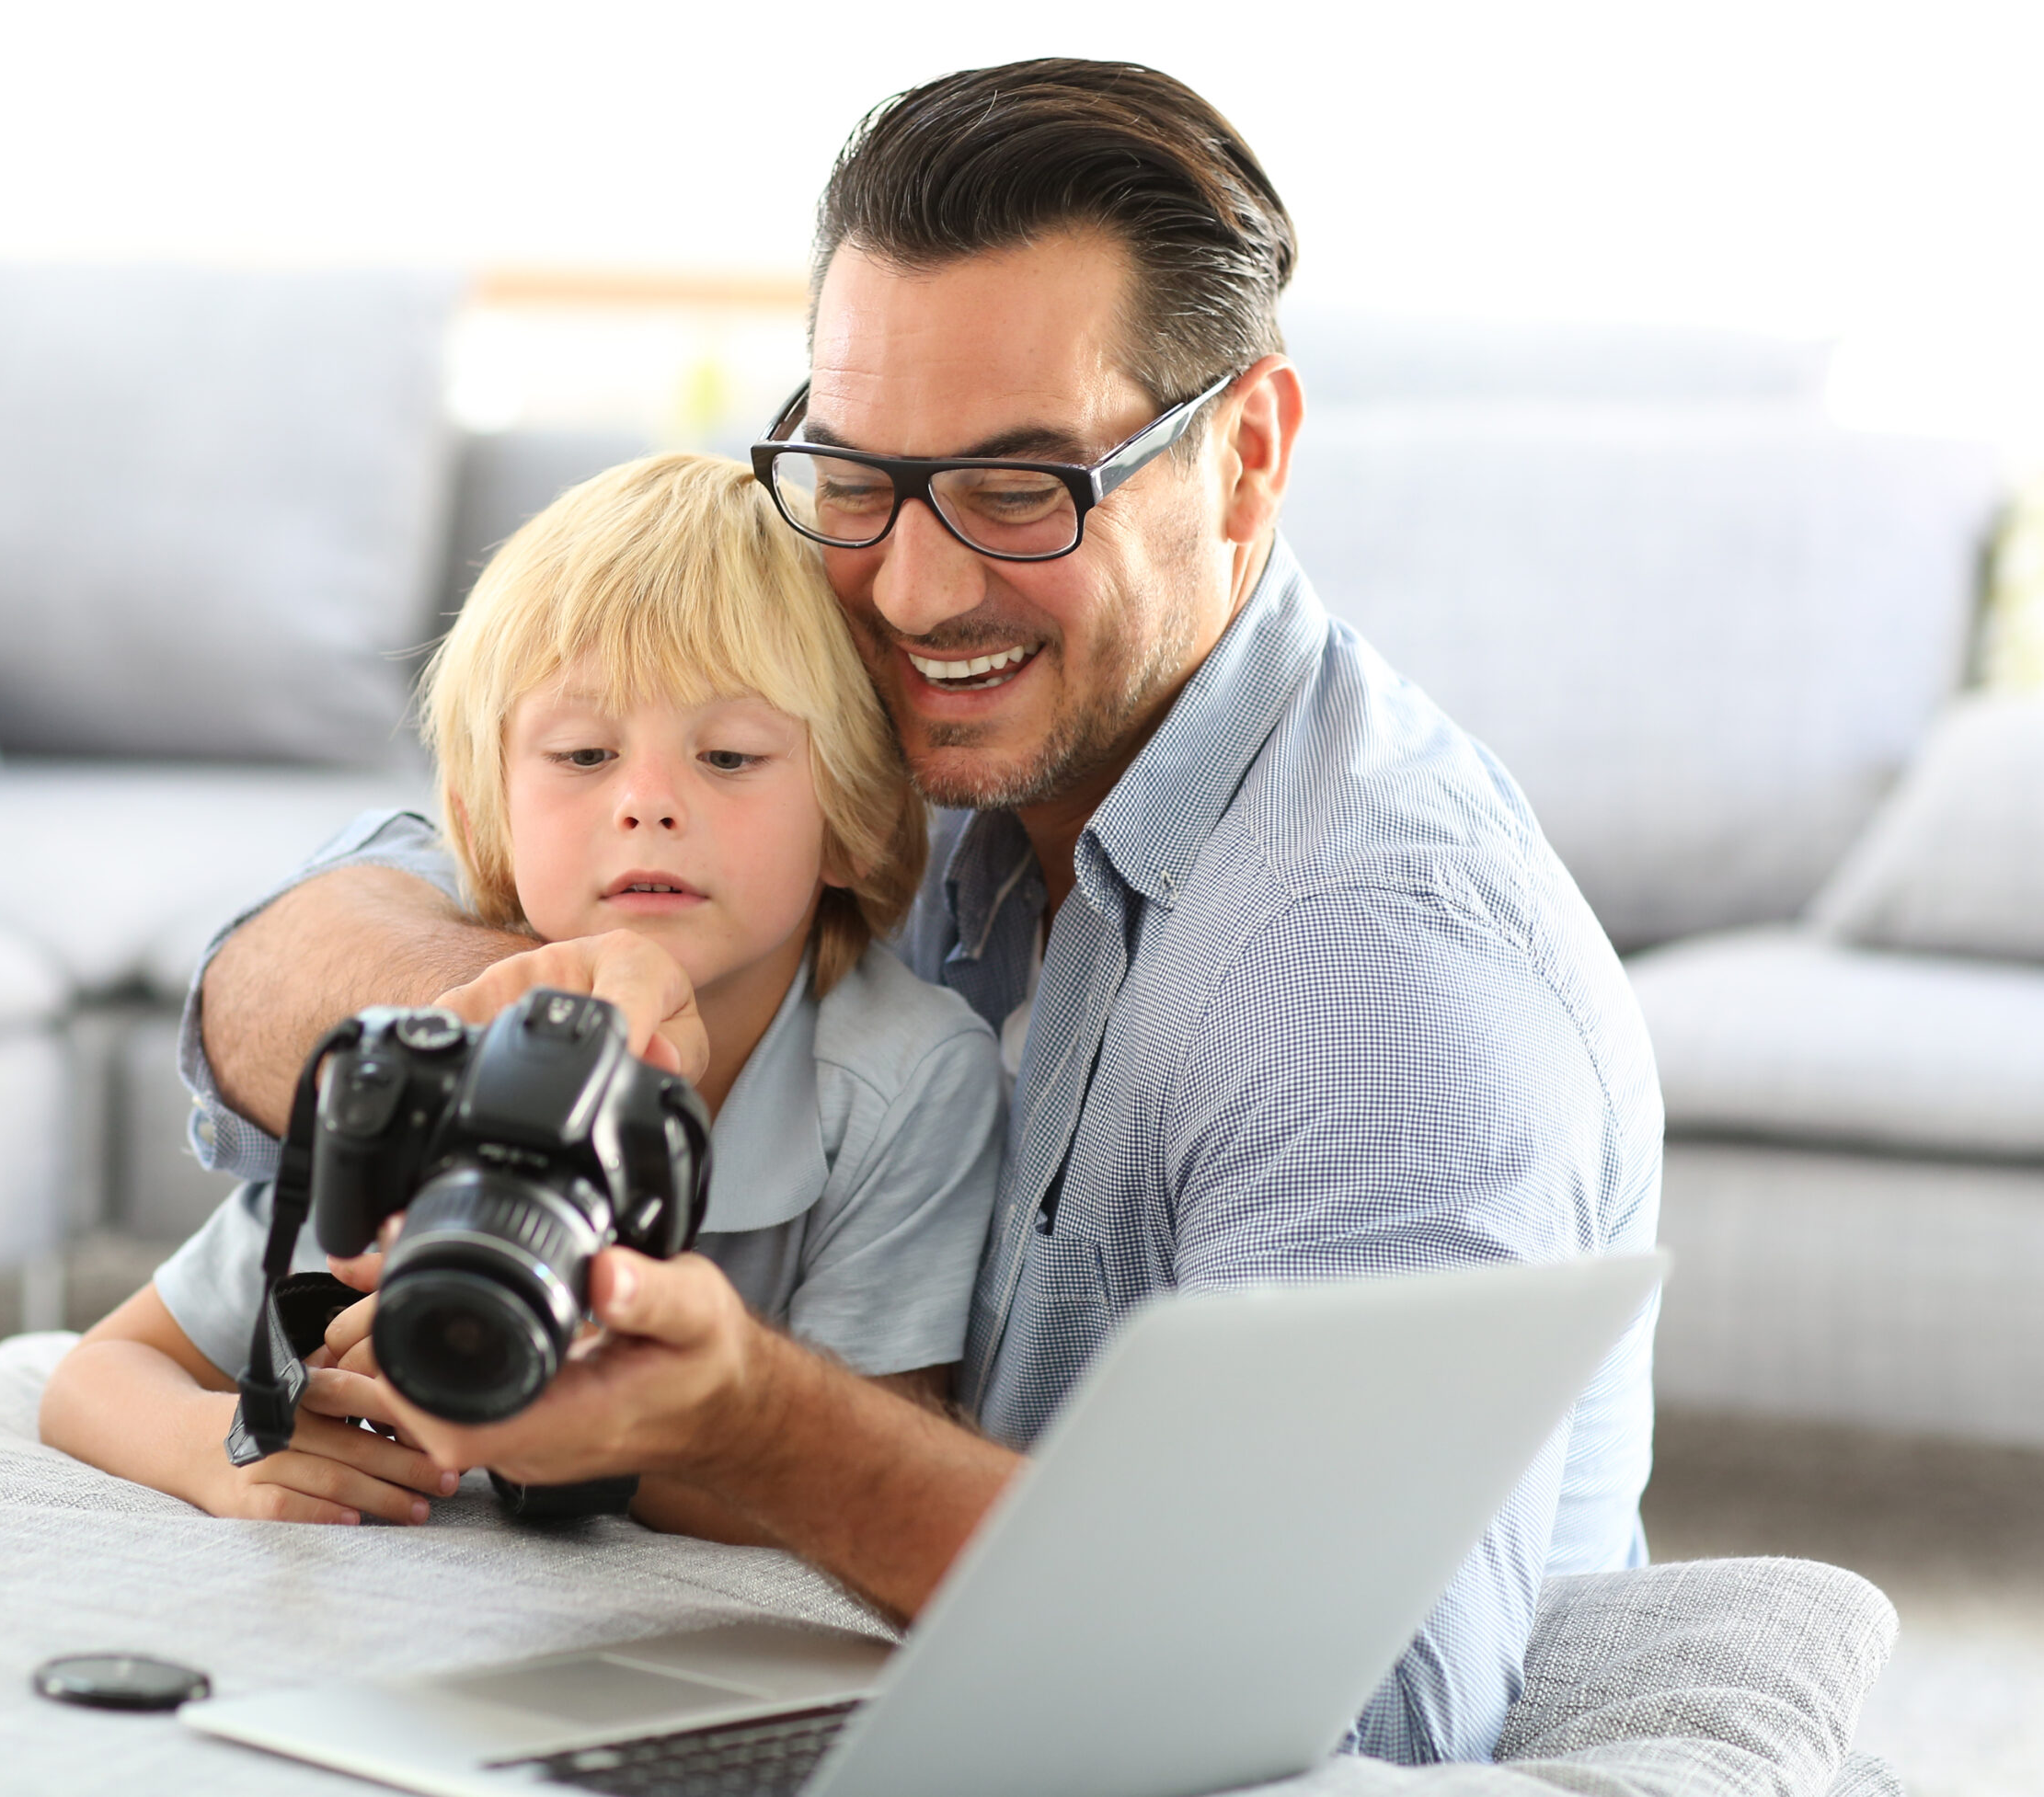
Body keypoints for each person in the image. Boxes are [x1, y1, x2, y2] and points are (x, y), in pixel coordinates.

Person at [187, 61, 1661, 1764]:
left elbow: (1347, 1706)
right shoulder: (902, 716)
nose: (916, 585)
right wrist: (529, 998)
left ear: (1246, 459)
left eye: (1024, 485)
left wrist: (766, 1426)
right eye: (860, 468)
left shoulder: (1380, 968)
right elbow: (277, 953)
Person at [39, 453, 1004, 1537]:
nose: (646, 803)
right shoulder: (439, 1062)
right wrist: (222, 1454)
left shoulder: (907, 1079)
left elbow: (873, 1475)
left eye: (729, 756)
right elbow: (104, 1370)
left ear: (857, 816)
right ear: (486, 814)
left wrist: (563, 1424)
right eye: (584, 752)